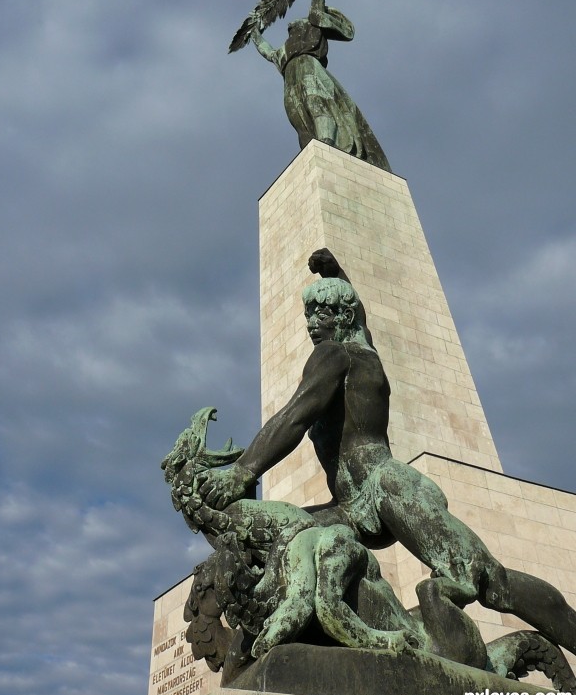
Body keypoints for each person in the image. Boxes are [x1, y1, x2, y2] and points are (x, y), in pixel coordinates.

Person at [199, 249, 576, 666]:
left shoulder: (335, 356)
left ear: (341, 319)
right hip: (350, 508)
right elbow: (361, 321)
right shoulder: (359, 349)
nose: (310, 325)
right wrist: (338, 275)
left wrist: (241, 472)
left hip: (387, 488)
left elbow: (294, 417)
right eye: (308, 315)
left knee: (491, 582)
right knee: (284, 540)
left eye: (321, 314)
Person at [250, 0, 391, 172]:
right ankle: (313, 148)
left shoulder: (313, 27)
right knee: (298, 117)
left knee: (317, 103)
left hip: (310, 69)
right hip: (291, 81)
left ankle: (326, 142)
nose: (291, 23)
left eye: (296, 21)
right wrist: (254, 32)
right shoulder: (284, 51)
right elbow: (267, 51)